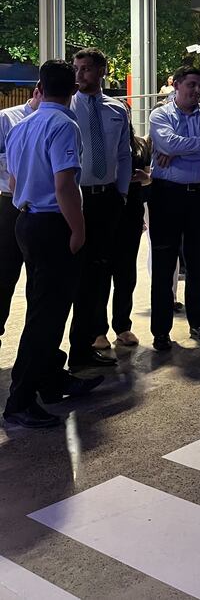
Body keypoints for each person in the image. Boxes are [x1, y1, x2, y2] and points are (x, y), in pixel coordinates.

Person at [3, 60, 103, 429]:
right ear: (73, 90)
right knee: (46, 317)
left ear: (40, 89)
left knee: (42, 306)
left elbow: (13, 181)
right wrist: (78, 229)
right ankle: (20, 400)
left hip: (26, 220)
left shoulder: (22, 125)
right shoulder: (64, 125)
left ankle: (50, 379)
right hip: (52, 224)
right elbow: (65, 185)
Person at [148, 66, 200, 351]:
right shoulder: (160, 115)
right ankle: (161, 331)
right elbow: (169, 142)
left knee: (198, 262)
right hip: (166, 194)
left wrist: (178, 151)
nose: (197, 90)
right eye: (191, 84)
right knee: (164, 264)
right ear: (177, 86)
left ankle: (198, 322)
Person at [69, 48, 131, 370]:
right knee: (77, 273)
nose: (79, 75)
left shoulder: (118, 108)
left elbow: (123, 153)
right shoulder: (67, 106)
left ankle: (93, 336)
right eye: (76, 68)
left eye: (86, 69)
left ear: (102, 71)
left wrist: (122, 193)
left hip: (108, 198)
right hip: (76, 199)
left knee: (101, 269)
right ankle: (81, 342)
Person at [0, 84, 42, 350]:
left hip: (41, 208)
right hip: (9, 204)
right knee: (4, 276)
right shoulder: (7, 118)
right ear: (37, 92)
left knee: (38, 283)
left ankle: (33, 351)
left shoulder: (57, 121)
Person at [107, 117, 152, 347]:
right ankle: (97, 330)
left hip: (132, 211)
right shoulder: (103, 143)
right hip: (106, 210)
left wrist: (146, 178)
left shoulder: (140, 145)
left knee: (126, 273)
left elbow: (148, 177)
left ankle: (123, 326)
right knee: (101, 273)